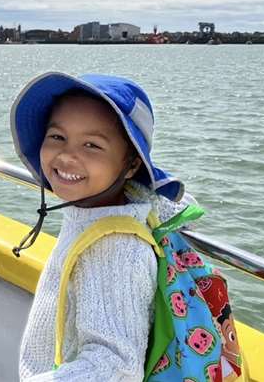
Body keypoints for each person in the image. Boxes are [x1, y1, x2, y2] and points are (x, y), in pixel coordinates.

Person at [10, 72, 188, 381]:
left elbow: (115, 365)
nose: (67, 156)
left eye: (91, 145)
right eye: (57, 137)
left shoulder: (116, 248)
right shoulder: (93, 211)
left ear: (131, 164)